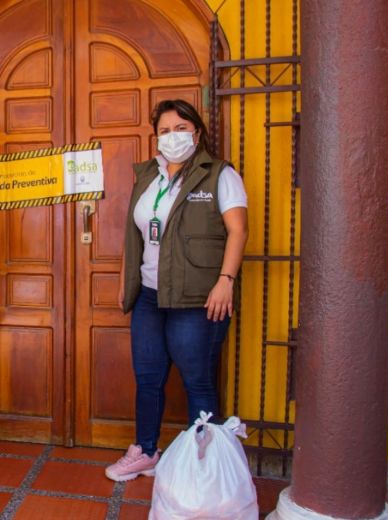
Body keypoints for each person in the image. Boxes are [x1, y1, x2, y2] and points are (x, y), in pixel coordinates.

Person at [105, 99, 249, 482]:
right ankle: (146, 450)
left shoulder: (218, 174)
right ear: (156, 137)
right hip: (150, 297)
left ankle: (201, 467)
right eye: (165, 130)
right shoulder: (148, 176)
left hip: (196, 298)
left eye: (181, 128)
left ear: (197, 133)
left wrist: (226, 281)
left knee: (196, 379)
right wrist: (126, 280)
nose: (173, 137)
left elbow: (238, 230)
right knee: (148, 377)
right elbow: (135, 235)